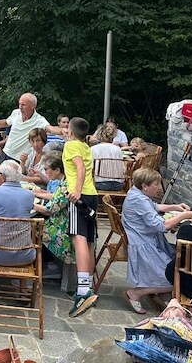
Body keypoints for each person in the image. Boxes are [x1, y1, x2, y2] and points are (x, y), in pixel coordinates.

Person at [121, 168, 192, 314]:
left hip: (144, 239)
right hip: (144, 244)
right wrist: (184, 216)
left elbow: (154, 206)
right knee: (177, 276)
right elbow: (162, 226)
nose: (159, 187)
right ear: (145, 186)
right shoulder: (139, 200)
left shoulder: (135, 192)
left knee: (175, 261)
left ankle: (163, 293)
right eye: (156, 184)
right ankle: (135, 293)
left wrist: (176, 207)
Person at [62, 117, 99, 317]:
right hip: (92, 194)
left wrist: (76, 190)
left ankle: (83, 292)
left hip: (80, 195)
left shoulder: (71, 146)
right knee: (89, 241)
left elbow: (80, 167)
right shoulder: (86, 147)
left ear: (70, 131)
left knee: (79, 239)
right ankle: (88, 285)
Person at [0, 93, 64, 161]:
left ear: (32, 106)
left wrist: (62, 131)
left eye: (23, 105)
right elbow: (6, 122)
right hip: (6, 154)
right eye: (19, 104)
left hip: (20, 159)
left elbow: (50, 129)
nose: (20, 107)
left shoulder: (39, 120)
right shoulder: (16, 113)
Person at [33, 157, 74, 279]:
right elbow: (56, 197)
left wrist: (30, 204)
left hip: (62, 227)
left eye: (46, 169)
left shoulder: (65, 185)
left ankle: (48, 265)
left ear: (57, 170)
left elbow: (49, 210)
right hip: (60, 221)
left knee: (33, 230)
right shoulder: (64, 181)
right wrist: (36, 194)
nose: (45, 172)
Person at [91, 123, 126, 191]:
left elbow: (90, 167)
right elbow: (123, 168)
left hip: (100, 183)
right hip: (118, 184)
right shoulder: (118, 149)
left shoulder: (93, 149)